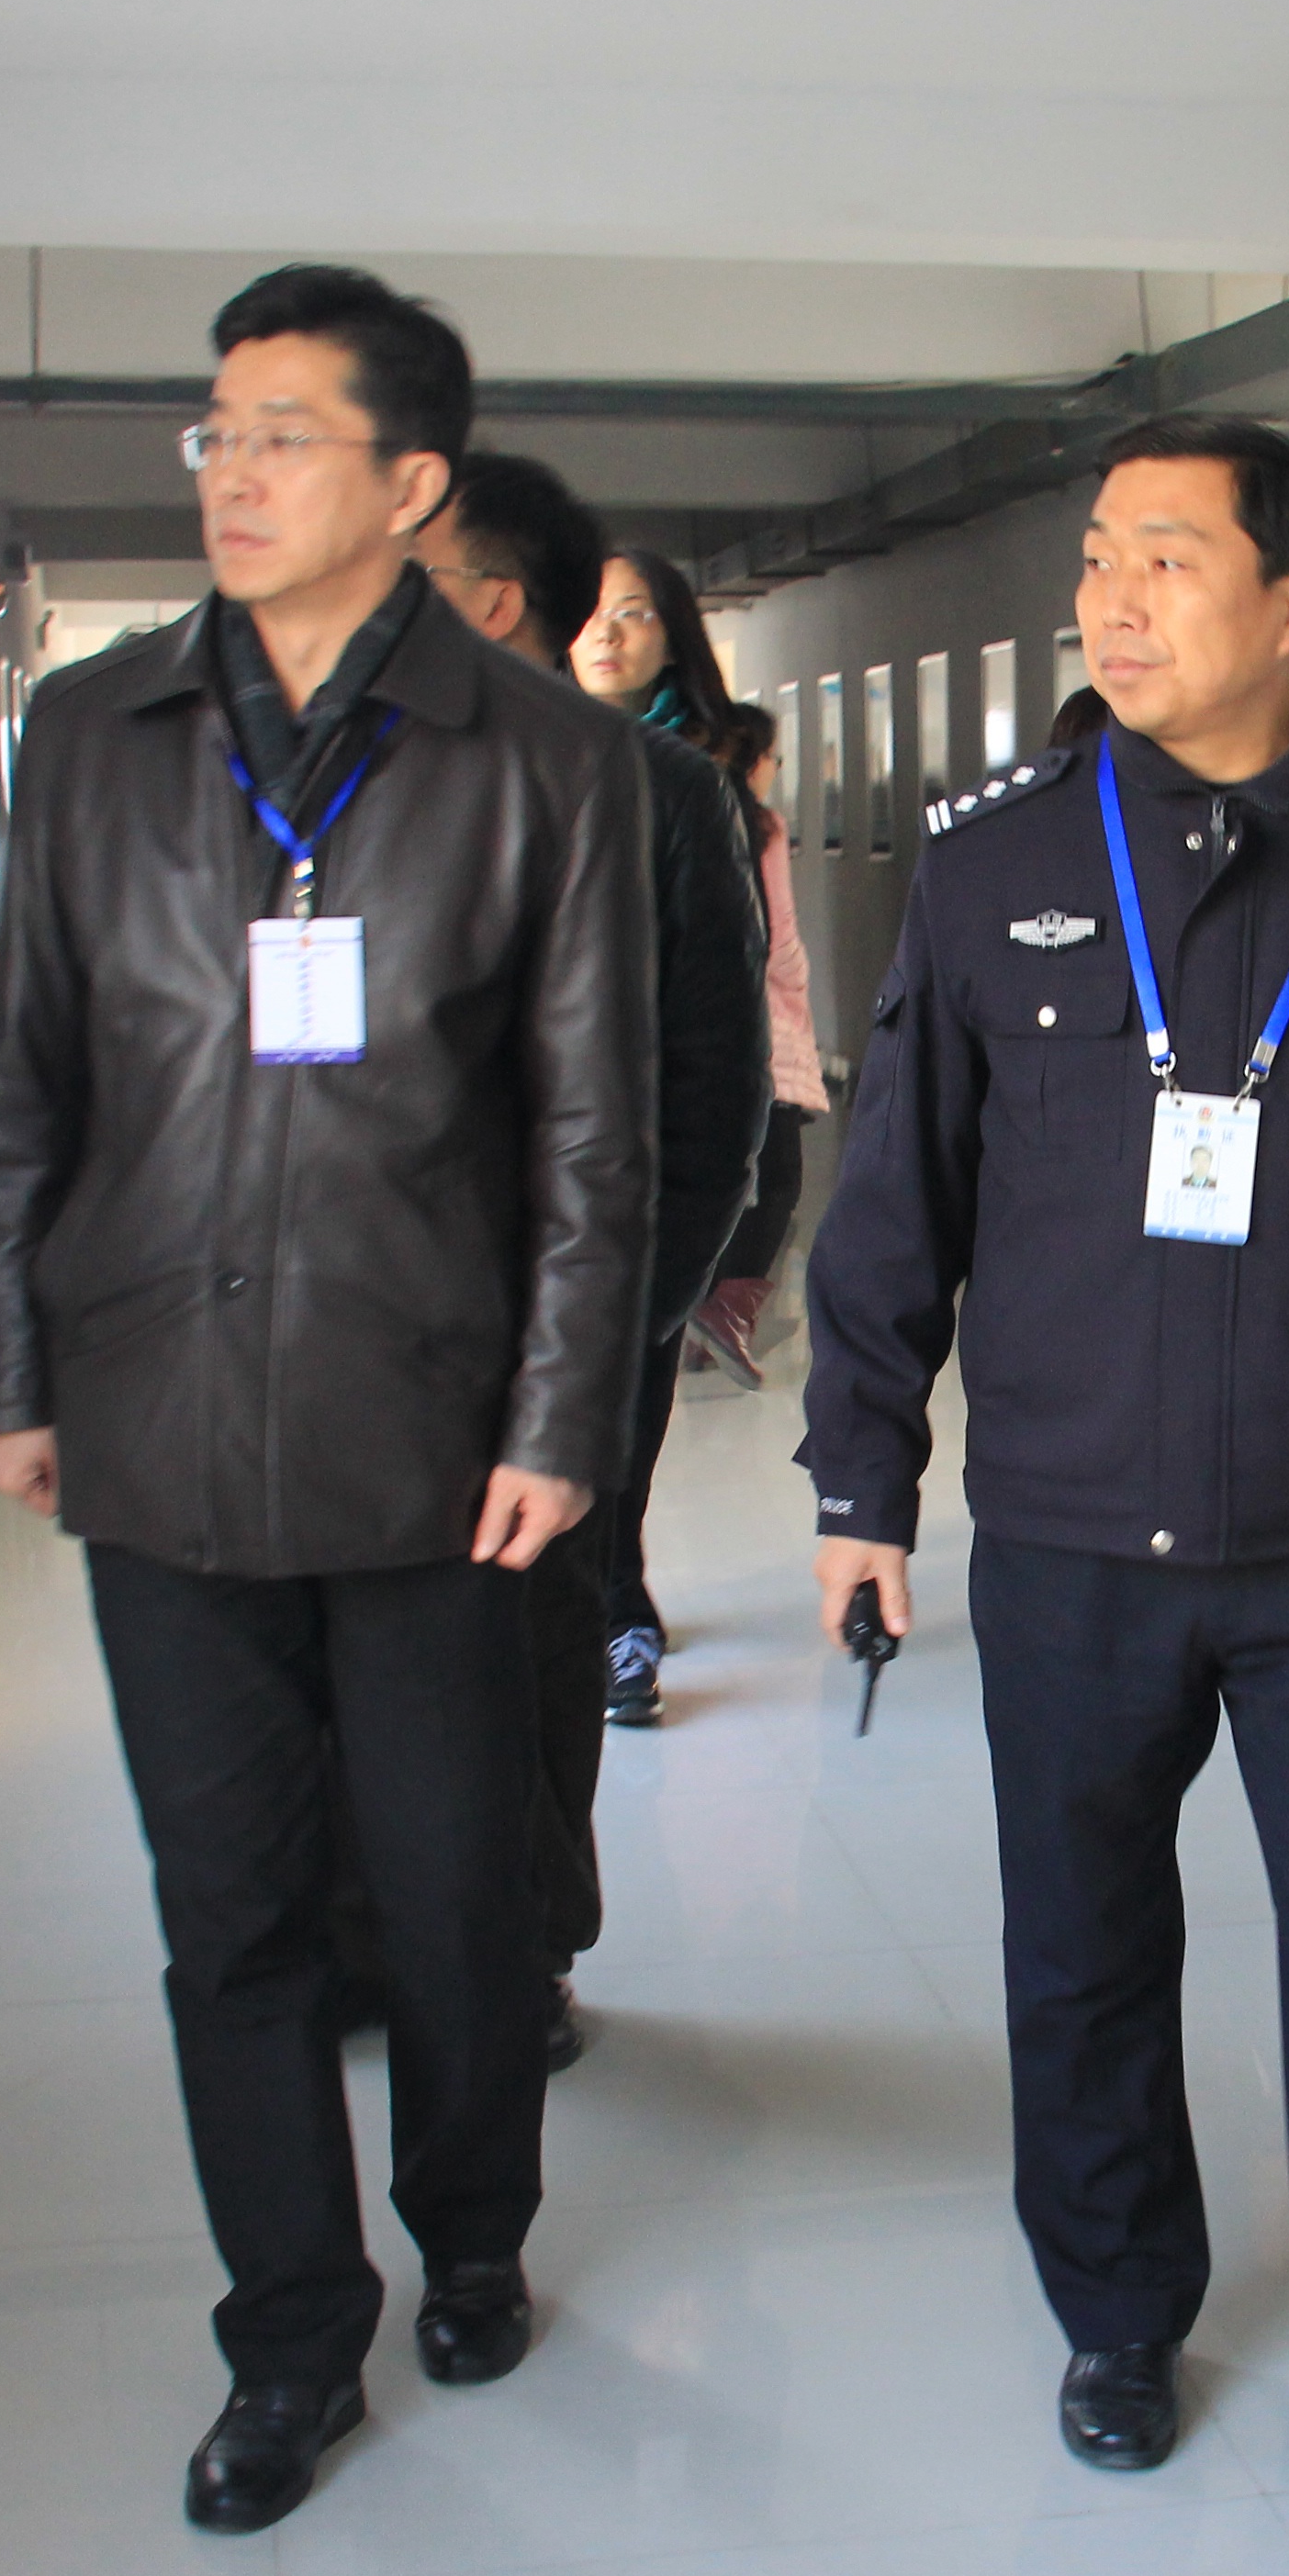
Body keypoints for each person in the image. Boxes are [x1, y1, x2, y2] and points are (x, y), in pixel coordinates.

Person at [0, 266, 654, 2537]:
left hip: (432, 1433)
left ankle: (471, 2228)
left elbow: (593, 1133)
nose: (232, 474)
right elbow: (26, 1067)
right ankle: (286, 2333)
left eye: (283, 435)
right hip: (155, 1409)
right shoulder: (97, 731)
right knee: (230, 1912)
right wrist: (6, 1362)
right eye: (217, 433)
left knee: (452, 1899)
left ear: (411, 481)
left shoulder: (543, 758)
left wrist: (558, 1420)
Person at [799, 416, 1289, 2571]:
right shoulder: (991, 857)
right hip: (1068, 1523)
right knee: (1085, 1950)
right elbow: (896, 1192)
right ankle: (1118, 2315)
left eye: (1164, 559)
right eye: (1097, 560)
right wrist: (863, 1476)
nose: (1109, 601)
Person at [413, 460, 768, 2063]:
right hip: (363, 1317)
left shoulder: (660, 798)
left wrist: (626, 1319)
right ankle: (375, 1932)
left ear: (491, 602)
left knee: (533, 1631)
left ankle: (525, 1947)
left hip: (565, 1318)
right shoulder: (342, 789)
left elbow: (712, 1086)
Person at [566, 546, 777, 1727]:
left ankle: (612, 1599)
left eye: (636, 614)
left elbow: (754, 970)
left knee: (625, 1389)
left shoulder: (702, 780)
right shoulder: (478, 765)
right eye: (593, 614)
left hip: (637, 1152)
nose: (609, 634)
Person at [686, 700, 828, 1391]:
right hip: (764, 1027)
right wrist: (799, 985)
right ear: (755, 761)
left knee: (714, 1181)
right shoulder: (761, 826)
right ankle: (726, 1313)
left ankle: (696, 1321)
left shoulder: (682, 814)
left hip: (695, 1026)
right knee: (780, 1180)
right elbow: (781, 938)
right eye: (774, 757)